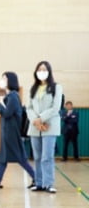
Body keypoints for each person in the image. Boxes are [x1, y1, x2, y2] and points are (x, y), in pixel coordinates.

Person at [0, 72, 35, 189]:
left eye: (4, 79)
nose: (2, 81)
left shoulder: (13, 96)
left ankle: (36, 177)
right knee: (3, 158)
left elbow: (7, 114)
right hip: (7, 132)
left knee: (20, 158)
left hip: (12, 132)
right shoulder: (10, 96)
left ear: (10, 81)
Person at [27, 61, 63, 193]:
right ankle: (39, 182)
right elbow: (29, 108)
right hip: (35, 127)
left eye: (44, 69)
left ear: (49, 71)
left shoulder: (56, 87)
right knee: (36, 157)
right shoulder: (32, 88)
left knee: (47, 156)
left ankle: (49, 183)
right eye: (39, 69)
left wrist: (41, 119)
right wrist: (36, 121)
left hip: (50, 125)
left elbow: (55, 107)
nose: (41, 72)